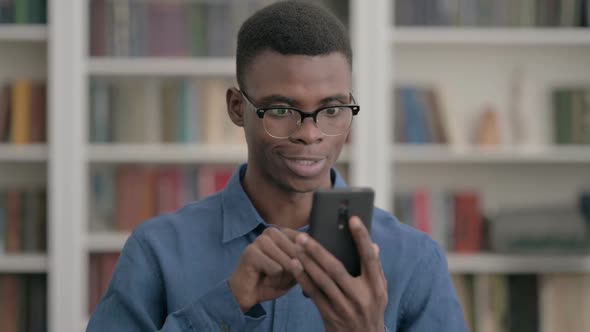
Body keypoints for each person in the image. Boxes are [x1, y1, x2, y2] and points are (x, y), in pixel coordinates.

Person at [86, 2, 467, 331]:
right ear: (238, 107)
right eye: (282, 110)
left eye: (332, 110)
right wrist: (227, 304)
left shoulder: (415, 260)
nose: (310, 133)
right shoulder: (157, 250)